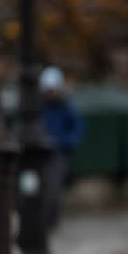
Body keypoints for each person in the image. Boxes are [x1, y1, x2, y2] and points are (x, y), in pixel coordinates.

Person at [39, 66, 83, 228]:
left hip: (57, 153)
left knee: (53, 191)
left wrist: (63, 142)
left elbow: (76, 129)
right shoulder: (40, 105)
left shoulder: (66, 106)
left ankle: (50, 223)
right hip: (40, 152)